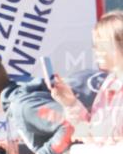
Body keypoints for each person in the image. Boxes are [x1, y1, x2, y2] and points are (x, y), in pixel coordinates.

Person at [51, 11, 123, 145]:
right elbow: (94, 135)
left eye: (100, 44)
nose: (95, 50)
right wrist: (70, 102)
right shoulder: (110, 83)